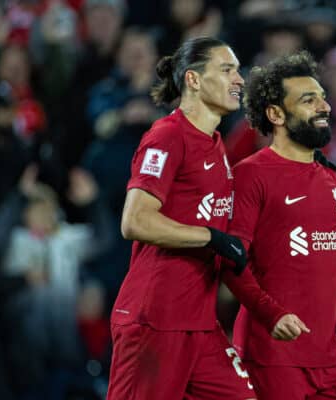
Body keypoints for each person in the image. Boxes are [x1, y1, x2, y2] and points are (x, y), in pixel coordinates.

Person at [222, 51, 336, 399]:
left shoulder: (329, 178)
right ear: (276, 114)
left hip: (327, 356)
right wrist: (272, 315)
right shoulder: (250, 175)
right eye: (309, 100)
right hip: (271, 355)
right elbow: (232, 262)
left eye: (322, 97)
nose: (325, 107)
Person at [106, 37, 256, 400]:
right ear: (193, 80)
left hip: (199, 323)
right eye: (226, 70)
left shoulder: (216, 144)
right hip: (155, 319)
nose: (239, 79)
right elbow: (135, 221)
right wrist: (212, 238)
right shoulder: (168, 137)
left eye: (237, 70)